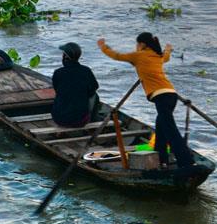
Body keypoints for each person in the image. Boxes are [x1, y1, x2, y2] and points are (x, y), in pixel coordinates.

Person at [98, 32, 196, 171]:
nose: (136, 47)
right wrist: (168, 48)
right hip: (171, 94)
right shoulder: (158, 56)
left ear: (142, 44)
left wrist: (103, 47)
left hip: (161, 96)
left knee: (171, 131)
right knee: (161, 130)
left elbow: (117, 56)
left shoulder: (139, 55)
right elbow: (166, 57)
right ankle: (162, 161)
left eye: (137, 44)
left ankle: (187, 162)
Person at [51, 42, 99, 128]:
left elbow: (57, 89)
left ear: (65, 56)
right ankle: (92, 120)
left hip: (59, 119)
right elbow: (94, 88)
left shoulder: (58, 73)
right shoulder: (86, 71)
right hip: (80, 120)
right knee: (95, 96)